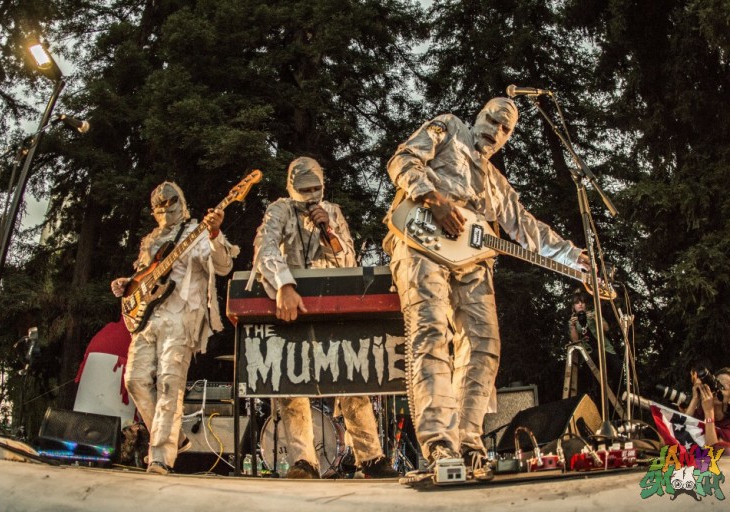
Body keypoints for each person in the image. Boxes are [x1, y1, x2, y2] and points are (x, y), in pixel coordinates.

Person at [383, 97, 591, 481]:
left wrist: (574, 257)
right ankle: (438, 445)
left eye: (504, 129)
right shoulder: (447, 127)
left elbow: (526, 228)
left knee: (484, 344)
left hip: (474, 260)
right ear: (478, 114)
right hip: (420, 241)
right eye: (492, 119)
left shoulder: (496, 182)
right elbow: (402, 161)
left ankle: (468, 442)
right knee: (430, 332)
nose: (494, 131)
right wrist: (435, 199)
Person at [252, 156, 398, 479]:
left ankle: (370, 457)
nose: (311, 195)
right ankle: (304, 461)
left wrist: (328, 230)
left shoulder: (332, 212)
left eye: (316, 188)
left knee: (353, 375)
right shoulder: (280, 210)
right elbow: (264, 249)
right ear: (292, 187)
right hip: (292, 305)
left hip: (334, 307)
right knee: (292, 381)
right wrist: (283, 284)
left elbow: (349, 258)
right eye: (304, 189)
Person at [111, 181, 238, 474]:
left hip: (182, 314)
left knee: (170, 384)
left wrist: (215, 233)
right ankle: (176, 438)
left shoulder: (197, 231)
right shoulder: (151, 240)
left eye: (172, 202)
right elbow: (146, 276)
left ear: (182, 202)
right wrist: (127, 285)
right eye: (160, 205)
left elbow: (223, 265)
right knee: (134, 380)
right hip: (149, 317)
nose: (167, 208)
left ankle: (160, 457)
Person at [568, 289, 622, 398]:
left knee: (618, 367)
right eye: (577, 303)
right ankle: (600, 397)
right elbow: (575, 341)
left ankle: (618, 395)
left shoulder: (593, 314)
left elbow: (606, 328)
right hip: (589, 353)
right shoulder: (573, 321)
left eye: (582, 302)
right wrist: (573, 326)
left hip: (605, 348)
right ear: (573, 307)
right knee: (596, 379)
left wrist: (596, 318)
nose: (580, 304)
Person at [684, 367, 730, 448]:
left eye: (722, 388)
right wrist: (695, 398)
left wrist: (709, 412)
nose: (716, 390)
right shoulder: (701, 411)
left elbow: (714, 451)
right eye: (716, 384)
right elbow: (680, 432)